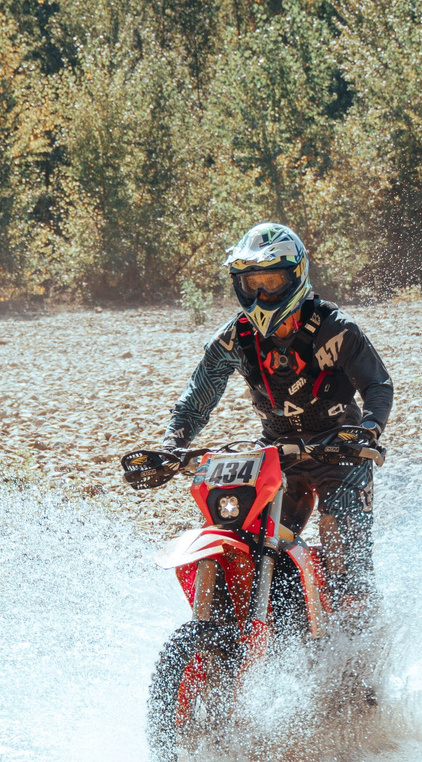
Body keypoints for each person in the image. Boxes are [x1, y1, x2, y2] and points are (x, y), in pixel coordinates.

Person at [162, 222, 394, 604]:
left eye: (272, 281)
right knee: (244, 534)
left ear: (297, 276)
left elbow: (377, 385)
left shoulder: (335, 329)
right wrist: (172, 443)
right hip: (276, 454)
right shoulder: (234, 338)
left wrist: (368, 430)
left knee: (340, 548)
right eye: (252, 284)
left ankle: (360, 644)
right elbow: (196, 399)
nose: (262, 293)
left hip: (341, 451)